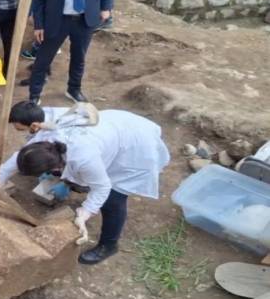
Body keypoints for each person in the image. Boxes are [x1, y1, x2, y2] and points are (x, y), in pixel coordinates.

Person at [11, 110, 170, 264]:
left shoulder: (84, 159)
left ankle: (108, 245)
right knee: (87, 175)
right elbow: (20, 161)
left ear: (56, 165)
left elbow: (102, 187)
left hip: (135, 145)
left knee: (112, 200)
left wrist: (85, 213)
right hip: (112, 129)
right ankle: (78, 185)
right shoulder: (45, 144)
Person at [29, 0, 113, 103]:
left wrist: (106, 7)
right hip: (56, 19)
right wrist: (38, 24)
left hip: (85, 19)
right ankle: (34, 94)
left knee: (79, 57)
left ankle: (74, 89)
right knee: (43, 59)